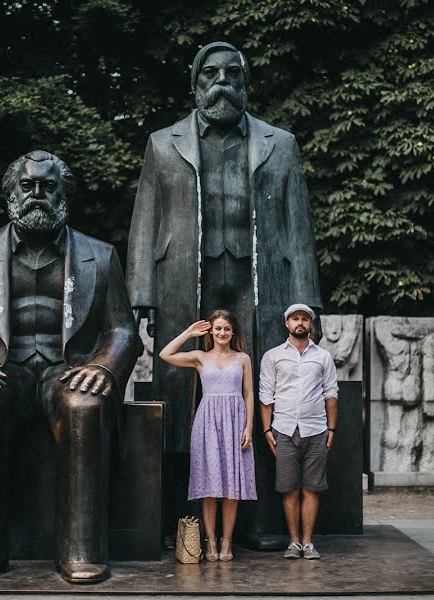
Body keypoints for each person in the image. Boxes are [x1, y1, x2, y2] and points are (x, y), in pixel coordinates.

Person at [126, 40, 322, 549]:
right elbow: (145, 218)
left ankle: (257, 524)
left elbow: (298, 227)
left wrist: (308, 301)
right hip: (182, 278)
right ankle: (183, 520)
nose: (222, 82)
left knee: (260, 395)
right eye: (210, 73)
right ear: (194, 84)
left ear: (246, 83)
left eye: (232, 74)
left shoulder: (281, 142)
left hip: (263, 282)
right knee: (181, 399)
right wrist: (141, 291)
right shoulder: (162, 143)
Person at [0, 150, 141, 584]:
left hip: (66, 370)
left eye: (48, 187)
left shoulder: (100, 255)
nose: (36, 194)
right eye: (27, 185)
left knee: (84, 405)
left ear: (63, 194)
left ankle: (82, 551)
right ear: (11, 192)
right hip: (2, 368)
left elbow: (123, 330)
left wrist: (104, 367)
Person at [158, 309, 257, 561]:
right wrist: (188, 333)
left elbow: (248, 394)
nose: (222, 332)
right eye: (218, 328)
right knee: (210, 485)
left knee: (231, 487)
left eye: (226, 328)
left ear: (233, 331)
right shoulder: (200, 357)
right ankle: (210, 541)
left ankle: (227, 542)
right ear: (211, 332)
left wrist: (249, 427)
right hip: (208, 422)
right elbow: (164, 354)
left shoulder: (243, 358)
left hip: (235, 421)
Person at [259, 304, 338, 560]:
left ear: (310, 324)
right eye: (295, 319)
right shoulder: (273, 356)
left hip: (316, 428)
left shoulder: (323, 357)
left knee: (312, 488)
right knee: (289, 489)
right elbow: (265, 395)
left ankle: (308, 543)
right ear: (287, 324)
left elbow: (331, 393)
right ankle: (293, 542)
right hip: (283, 429)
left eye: (305, 319)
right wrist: (266, 429)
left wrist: (332, 428)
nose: (300, 323)